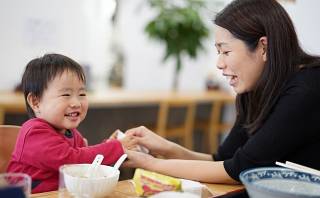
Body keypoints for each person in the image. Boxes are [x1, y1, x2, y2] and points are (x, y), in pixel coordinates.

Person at [123, 0, 320, 184]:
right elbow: (223, 160)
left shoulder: (305, 90)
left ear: (263, 47)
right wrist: (165, 148)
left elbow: (240, 169)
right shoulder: (256, 88)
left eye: (226, 52)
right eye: (218, 52)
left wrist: (149, 163)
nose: (219, 64)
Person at [7, 54, 137, 193]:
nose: (76, 103)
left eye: (82, 94)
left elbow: (86, 164)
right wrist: (115, 148)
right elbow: (72, 160)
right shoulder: (33, 132)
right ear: (35, 102)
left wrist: (109, 145)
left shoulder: (71, 133)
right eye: (66, 95)